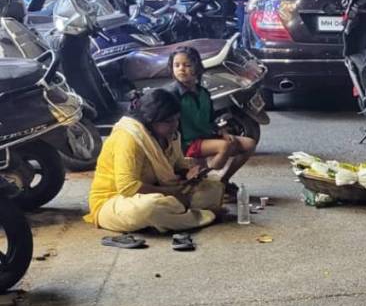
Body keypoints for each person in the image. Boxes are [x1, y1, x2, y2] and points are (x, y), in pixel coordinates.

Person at [84, 89, 224, 233]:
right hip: (114, 201)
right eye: (169, 121)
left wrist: (189, 173)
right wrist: (171, 193)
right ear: (151, 120)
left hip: (161, 192)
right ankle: (201, 215)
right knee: (151, 209)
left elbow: (177, 166)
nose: (175, 125)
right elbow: (127, 187)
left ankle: (177, 214)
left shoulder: (171, 135)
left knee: (214, 186)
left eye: (177, 119)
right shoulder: (129, 137)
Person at [169, 47, 256, 196]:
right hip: (188, 143)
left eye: (187, 65)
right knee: (225, 146)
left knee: (249, 144)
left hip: (206, 137)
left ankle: (223, 180)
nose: (181, 69)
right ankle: (207, 178)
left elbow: (210, 119)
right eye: (177, 65)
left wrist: (222, 131)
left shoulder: (203, 93)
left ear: (197, 67)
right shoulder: (172, 94)